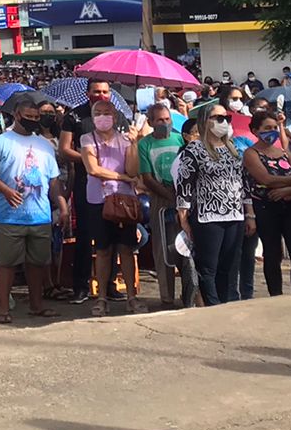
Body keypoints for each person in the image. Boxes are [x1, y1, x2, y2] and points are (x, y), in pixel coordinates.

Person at [0, 94, 68, 324]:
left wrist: (62, 206)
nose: (33, 120)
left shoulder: (44, 145)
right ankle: (3, 308)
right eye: (28, 117)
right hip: (9, 216)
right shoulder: (1, 142)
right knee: (6, 263)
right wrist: (6, 191)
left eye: (36, 117)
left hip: (39, 215)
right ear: (17, 116)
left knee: (38, 263)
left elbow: (54, 180)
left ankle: (37, 305)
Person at [78, 101, 147, 316]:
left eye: (106, 113)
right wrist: (123, 177)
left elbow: (133, 169)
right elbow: (93, 169)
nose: (102, 117)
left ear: (115, 117)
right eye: (97, 113)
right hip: (99, 200)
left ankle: (132, 298)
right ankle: (101, 299)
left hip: (124, 200)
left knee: (126, 249)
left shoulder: (124, 140)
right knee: (103, 250)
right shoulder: (87, 139)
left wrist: (135, 144)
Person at [174, 104, 248, 306]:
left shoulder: (233, 148)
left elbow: (243, 182)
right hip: (208, 216)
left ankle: (225, 303)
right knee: (208, 267)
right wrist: (183, 216)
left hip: (234, 214)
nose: (222, 122)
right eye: (217, 118)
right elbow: (184, 183)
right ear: (205, 121)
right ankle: (213, 306)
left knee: (228, 265)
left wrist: (249, 212)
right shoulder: (194, 149)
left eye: (225, 118)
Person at [58, 80, 117, 306]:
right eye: (96, 92)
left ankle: (109, 285)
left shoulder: (117, 115)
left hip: (112, 184)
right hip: (85, 181)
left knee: (112, 232)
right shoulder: (74, 116)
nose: (100, 95)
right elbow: (64, 150)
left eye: (104, 92)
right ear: (87, 93)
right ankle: (80, 287)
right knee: (85, 235)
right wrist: (89, 158)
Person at [241, 113, 291, 295]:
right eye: (267, 128)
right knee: (273, 255)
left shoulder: (284, 153)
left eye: (274, 128)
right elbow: (265, 179)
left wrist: (287, 189)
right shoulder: (251, 154)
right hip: (266, 208)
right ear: (255, 131)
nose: (272, 132)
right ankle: (275, 295)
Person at [138, 102, 194, 308]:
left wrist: (181, 195)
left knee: (187, 246)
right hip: (160, 199)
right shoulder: (145, 144)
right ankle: (167, 296)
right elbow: (147, 177)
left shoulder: (180, 138)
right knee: (163, 248)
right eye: (159, 120)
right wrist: (169, 195)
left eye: (167, 119)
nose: (164, 123)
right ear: (151, 122)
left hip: (184, 196)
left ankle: (190, 293)